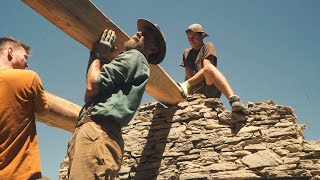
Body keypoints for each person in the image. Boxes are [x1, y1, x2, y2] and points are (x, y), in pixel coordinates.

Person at [67, 18, 166, 179]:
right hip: (94, 133)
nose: (138, 33)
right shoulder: (132, 62)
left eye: (145, 34)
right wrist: (103, 59)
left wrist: (97, 53)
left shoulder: (135, 56)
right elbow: (91, 94)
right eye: (139, 30)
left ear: (153, 49)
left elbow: (92, 85)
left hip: (97, 134)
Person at [0, 37, 49, 179]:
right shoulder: (29, 78)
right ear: (10, 51)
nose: (27, 63)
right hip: (24, 174)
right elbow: (43, 111)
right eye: (25, 57)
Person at [178, 23, 246, 113]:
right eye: (189, 38)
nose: (191, 40)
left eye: (194, 37)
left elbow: (207, 68)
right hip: (196, 91)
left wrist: (186, 84)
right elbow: (188, 75)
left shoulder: (208, 46)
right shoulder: (187, 53)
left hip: (210, 87)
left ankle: (233, 100)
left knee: (209, 68)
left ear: (202, 36)